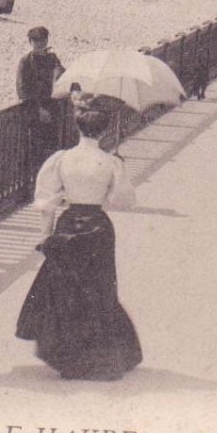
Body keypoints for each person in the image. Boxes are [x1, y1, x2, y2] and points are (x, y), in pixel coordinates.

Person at [16, 95, 142, 380]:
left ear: (78, 128)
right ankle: (100, 357)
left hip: (69, 225)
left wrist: (46, 237)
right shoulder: (110, 162)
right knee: (99, 290)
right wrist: (115, 173)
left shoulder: (61, 159)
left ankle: (69, 358)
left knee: (68, 293)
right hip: (97, 227)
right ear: (105, 130)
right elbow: (124, 201)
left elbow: (46, 201)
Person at [18, 26, 66, 167]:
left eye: (43, 40)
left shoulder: (51, 58)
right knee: (35, 151)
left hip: (51, 108)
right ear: (30, 42)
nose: (40, 44)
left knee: (52, 148)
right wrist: (38, 110)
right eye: (36, 41)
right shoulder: (26, 61)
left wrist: (58, 73)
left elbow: (61, 72)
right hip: (34, 110)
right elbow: (22, 89)